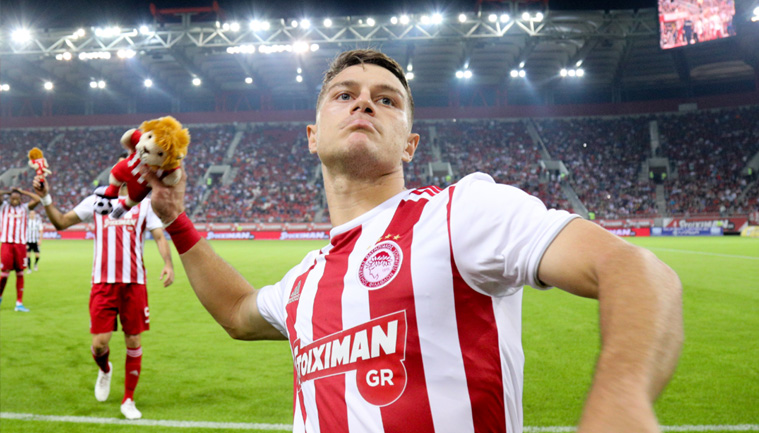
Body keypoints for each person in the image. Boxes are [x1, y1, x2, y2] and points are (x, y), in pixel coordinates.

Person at [145, 49, 683, 433]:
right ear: (312, 136)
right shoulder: (305, 281)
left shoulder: (460, 213)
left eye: (386, 99)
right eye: (344, 95)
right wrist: (174, 218)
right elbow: (237, 313)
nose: (364, 103)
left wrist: (621, 402)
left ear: (410, 144)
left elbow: (637, 271)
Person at [33, 169, 175, 421]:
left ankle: (128, 399)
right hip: (102, 284)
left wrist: (168, 263)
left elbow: (158, 236)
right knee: (99, 344)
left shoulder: (145, 204)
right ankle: (105, 369)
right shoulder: (96, 201)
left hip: (134, 283)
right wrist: (45, 198)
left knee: (133, 340)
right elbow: (61, 222)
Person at [0, 188, 40, 311]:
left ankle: (19, 303)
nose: (14, 200)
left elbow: (37, 199)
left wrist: (23, 192)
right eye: (12, 198)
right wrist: (8, 192)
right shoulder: (3, 207)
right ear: (9, 198)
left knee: (20, 273)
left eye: (17, 198)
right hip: (7, 244)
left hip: (20, 245)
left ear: (21, 199)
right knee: (4, 274)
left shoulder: (25, 208)